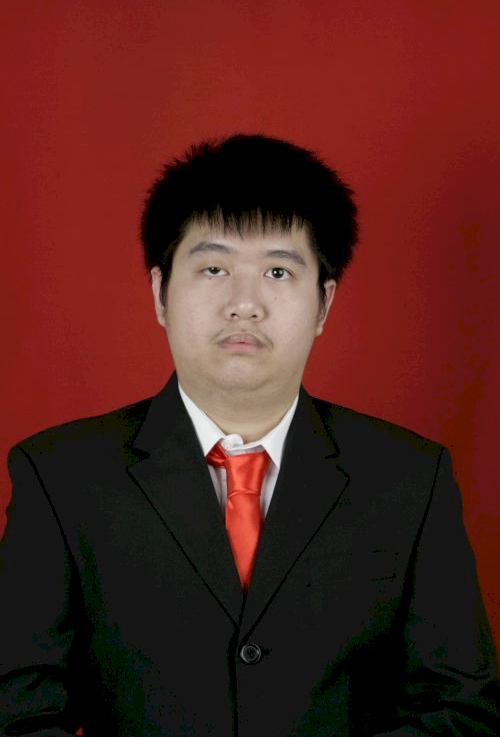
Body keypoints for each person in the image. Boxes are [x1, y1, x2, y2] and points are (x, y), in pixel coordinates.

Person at [1, 134, 498, 736]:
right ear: (160, 293)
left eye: (278, 271)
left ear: (323, 304)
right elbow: (18, 714)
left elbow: (460, 708)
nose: (244, 304)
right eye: (214, 268)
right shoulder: (61, 477)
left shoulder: (410, 479)